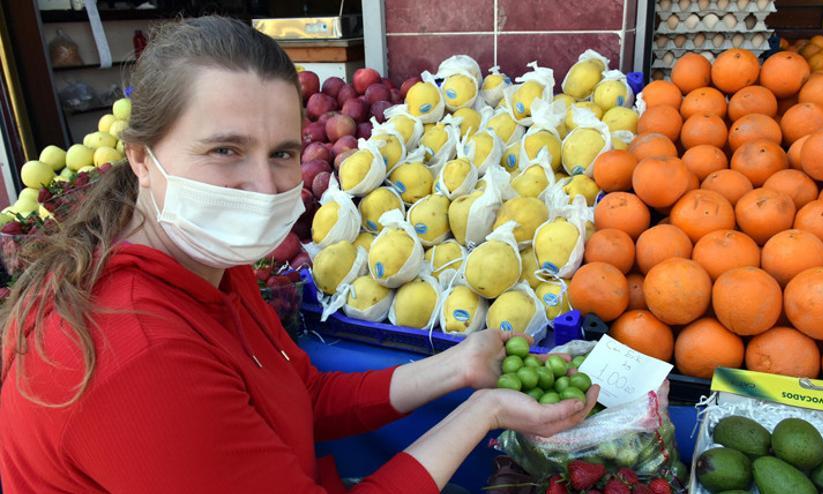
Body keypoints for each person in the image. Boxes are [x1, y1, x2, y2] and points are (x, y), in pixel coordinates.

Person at [0, 17, 598, 494]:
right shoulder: (134, 354)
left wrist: (460, 369)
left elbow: (301, 396)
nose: (264, 188)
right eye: (225, 149)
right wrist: (482, 413)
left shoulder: (212, 268)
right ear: (139, 158)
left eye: (283, 152)